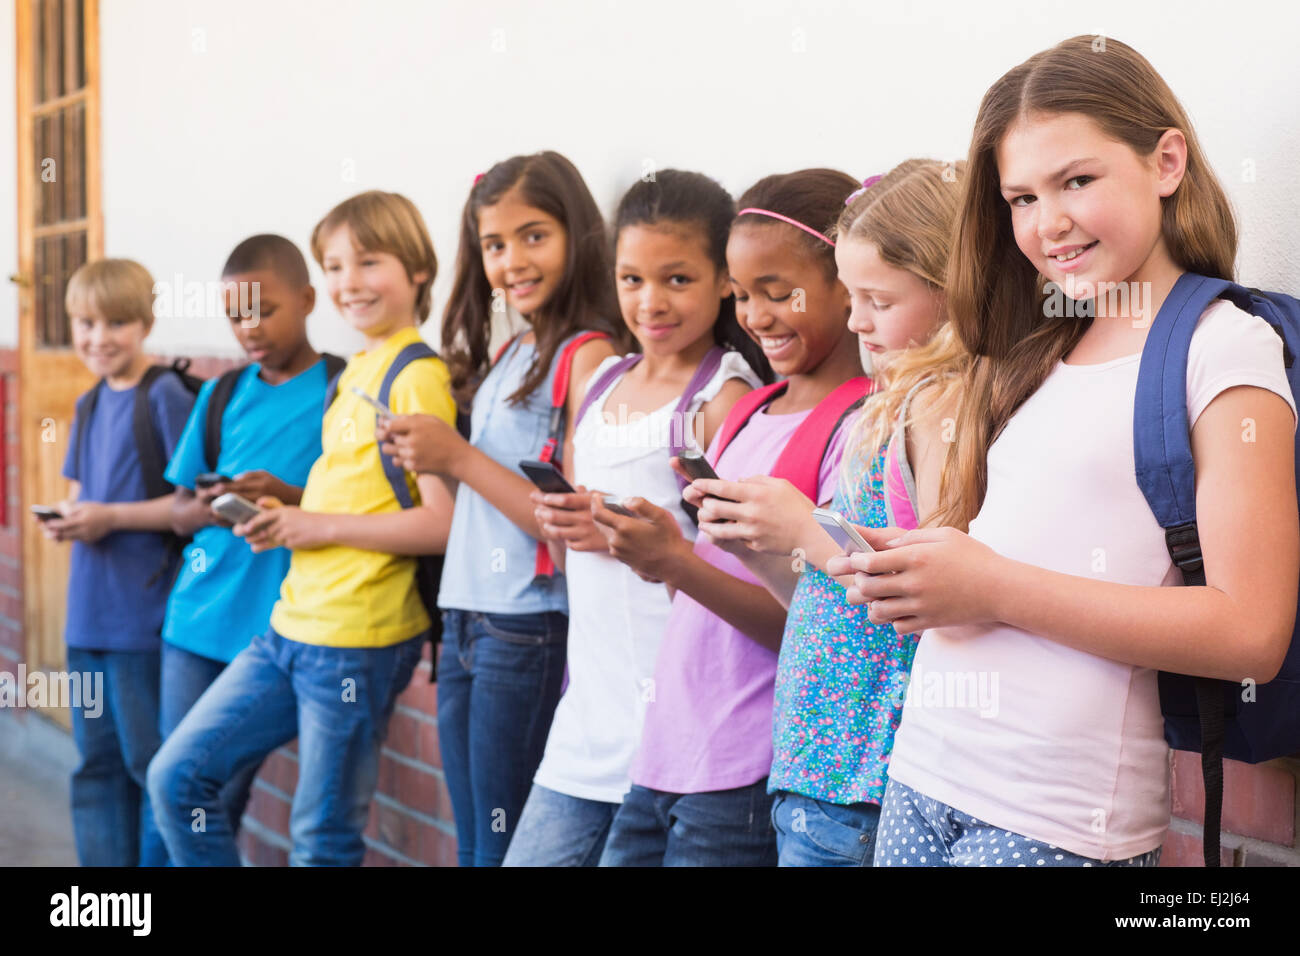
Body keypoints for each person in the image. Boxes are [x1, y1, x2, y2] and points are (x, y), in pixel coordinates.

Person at [831, 35, 1298, 867]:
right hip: (923, 772)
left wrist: (993, 585)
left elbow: (1249, 628)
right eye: (1020, 198)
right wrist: (920, 571)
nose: (1048, 223)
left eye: (1077, 180)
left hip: (1052, 818)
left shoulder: (1221, 346)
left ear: (1165, 162)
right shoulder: (1039, 344)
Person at [148, 191, 458, 866]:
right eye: (336, 264)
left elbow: (441, 523)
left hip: (356, 640)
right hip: (290, 627)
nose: (350, 281)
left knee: (320, 840)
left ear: (418, 271)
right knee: (175, 779)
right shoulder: (359, 374)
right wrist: (283, 510)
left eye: (369, 262)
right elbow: (358, 492)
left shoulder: (415, 375)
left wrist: (310, 523)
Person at [591, 169, 867, 866]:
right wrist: (662, 546)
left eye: (779, 294)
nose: (755, 315)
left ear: (850, 283)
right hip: (666, 747)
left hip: (744, 758)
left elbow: (821, 620)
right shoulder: (747, 411)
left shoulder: (857, 426)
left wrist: (677, 564)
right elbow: (707, 563)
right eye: (743, 296)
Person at [503, 169, 770, 866]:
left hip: (678, 728)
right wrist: (565, 520)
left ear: (723, 284)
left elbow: (743, 564)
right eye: (631, 280)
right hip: (585, 717)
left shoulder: (722, 398)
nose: (650, 302)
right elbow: (576, 536)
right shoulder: (602, 382)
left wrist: (640, 541)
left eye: (677, 280)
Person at [378, 151, 627, 866]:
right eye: (494, 244)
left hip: (527, 626)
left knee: (499, 845)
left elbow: (565, 517)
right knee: (476, 845)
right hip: (465, 619)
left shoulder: (588, 356)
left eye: (533, 236)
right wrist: (428, 458)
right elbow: (484, 501)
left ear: (576, 237)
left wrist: (456, 456)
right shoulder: (515, 348)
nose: (512, 259)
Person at [157, 234, 337, 839]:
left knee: (215, 801)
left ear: (308, 299)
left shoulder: (341, 393)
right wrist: (213, 506)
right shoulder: (222, 393)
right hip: (196, 619)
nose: (250, 328)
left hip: (274, 628)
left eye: (265, 310)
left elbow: (362, 505)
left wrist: (285, 495)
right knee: (170, 794)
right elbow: (180, 510)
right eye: (236, 315)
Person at [45, 258, 196, 866]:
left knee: (146, 764)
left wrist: (109, 518)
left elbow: (191, 508)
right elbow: (87, 494)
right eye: (85, 322)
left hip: (144, 618)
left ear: (147, 323)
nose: (99, 337)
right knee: (96, 766)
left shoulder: (166, 395)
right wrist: (71, 517)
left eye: (117, 322)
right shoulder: (85, 404)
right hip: (87, 619)